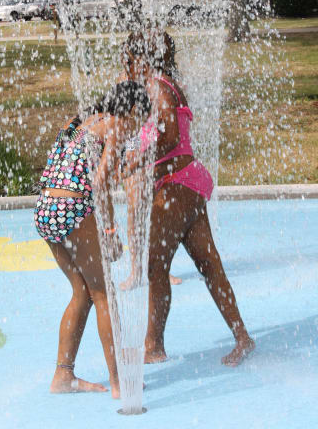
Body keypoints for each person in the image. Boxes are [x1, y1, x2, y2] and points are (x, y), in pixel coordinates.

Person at [121, 31, 255, 367]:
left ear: (144, 59)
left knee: (155, 267)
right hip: (188, 182)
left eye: (129, 59)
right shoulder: (165, 84)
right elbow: (157, 131)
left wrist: (136, 160)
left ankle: (153, 346)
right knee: (209, 265)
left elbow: (169, 134)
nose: (125, 66)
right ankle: (242, 337)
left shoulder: (157, 86)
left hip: (174, 186)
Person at [34, 81, 152, 398]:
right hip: (72, 206)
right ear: (130, 111)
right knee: (105, 295)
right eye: (140, 120)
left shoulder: (82, 121)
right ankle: (119, 382)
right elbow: (99, 184)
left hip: (46, 210)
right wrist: (110, 232)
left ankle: (63, 376)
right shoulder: (114, 127)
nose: (137, 128)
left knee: (82, 292)